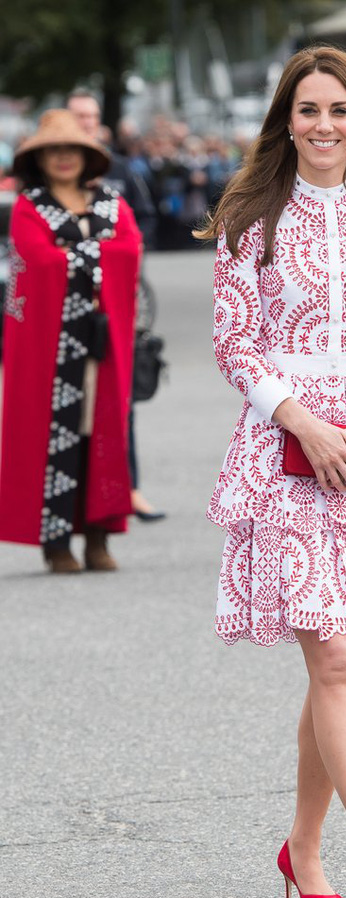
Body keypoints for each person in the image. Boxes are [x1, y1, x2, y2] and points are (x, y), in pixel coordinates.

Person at [196, 45, 346, 898]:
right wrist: (302, 421)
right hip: (284, 452)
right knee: (332, 659)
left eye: (339, 110)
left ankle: (300, 846)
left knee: (336, 666)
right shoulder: (247, 213)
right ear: (287, 121)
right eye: (309, 110)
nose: (325, 124)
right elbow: (234, 342)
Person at [0, 109, 141, 571]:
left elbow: (130, 249)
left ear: (86, 156)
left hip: (102, 344)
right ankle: (56, 542)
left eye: (72, 149)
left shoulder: (111, 201)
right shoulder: (30, 206)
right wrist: (98, 254)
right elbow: (39, 261)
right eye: (53, 151)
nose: (64, 157)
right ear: (38, 160)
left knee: (102, 431)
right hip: (51, 345)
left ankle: (98, 538)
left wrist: (73, 255)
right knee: (53, 433)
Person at [67, 89, 165, 523]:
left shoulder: (120, 170)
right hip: (69, 301)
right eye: (78, 116)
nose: (85, 123)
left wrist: (128, 258)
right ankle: (76, 496)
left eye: (90, 116)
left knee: (119, 395)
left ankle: (131, 488)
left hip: (118, 298)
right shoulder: (48, 177)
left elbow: (145, 217)